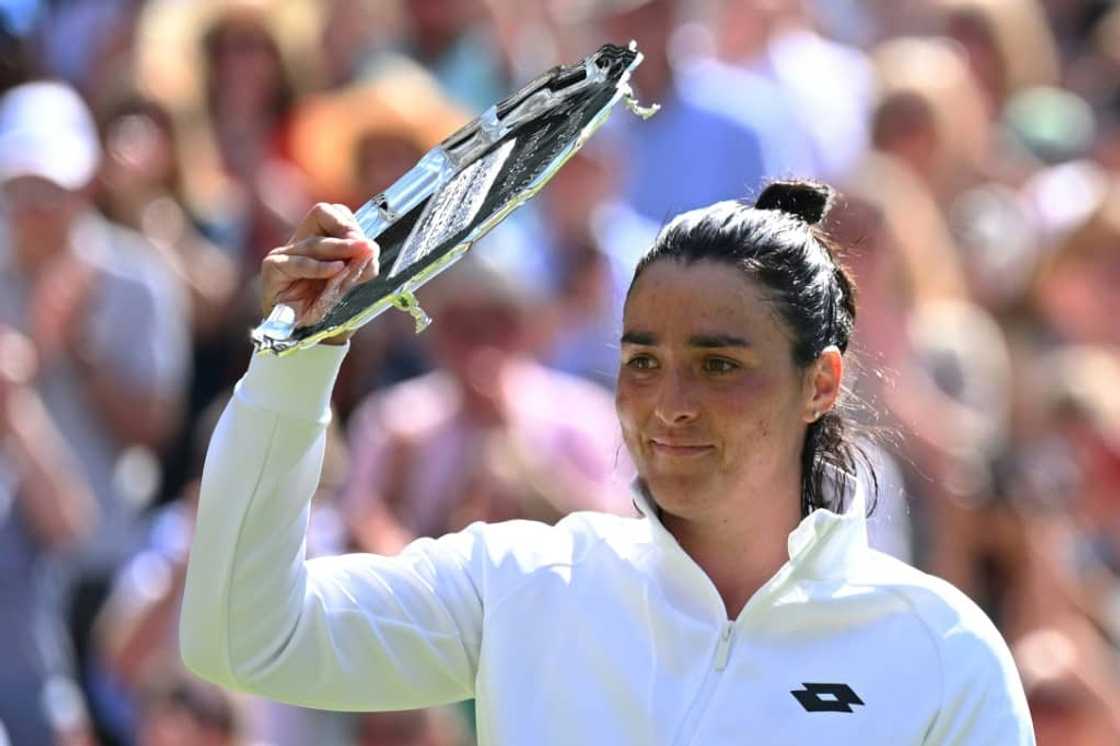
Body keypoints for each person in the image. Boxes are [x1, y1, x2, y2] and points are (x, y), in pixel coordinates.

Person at [180, 182, 1034, 744]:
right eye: (642, 360)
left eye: (720, 363)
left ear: (821, 384)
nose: (670, 403)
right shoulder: (523, 580)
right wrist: (296, 363)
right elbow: (243, 641)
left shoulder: (943, 649)